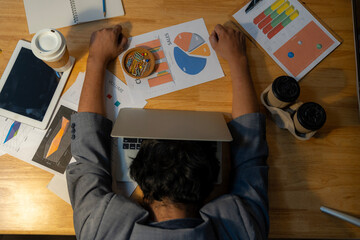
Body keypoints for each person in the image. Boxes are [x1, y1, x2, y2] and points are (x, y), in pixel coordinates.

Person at [67, 24, 269, 239]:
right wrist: (238, 59)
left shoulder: (99, 228)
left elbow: (252, 154)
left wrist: (96, 59)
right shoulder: (245, 227)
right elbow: (251, 156)